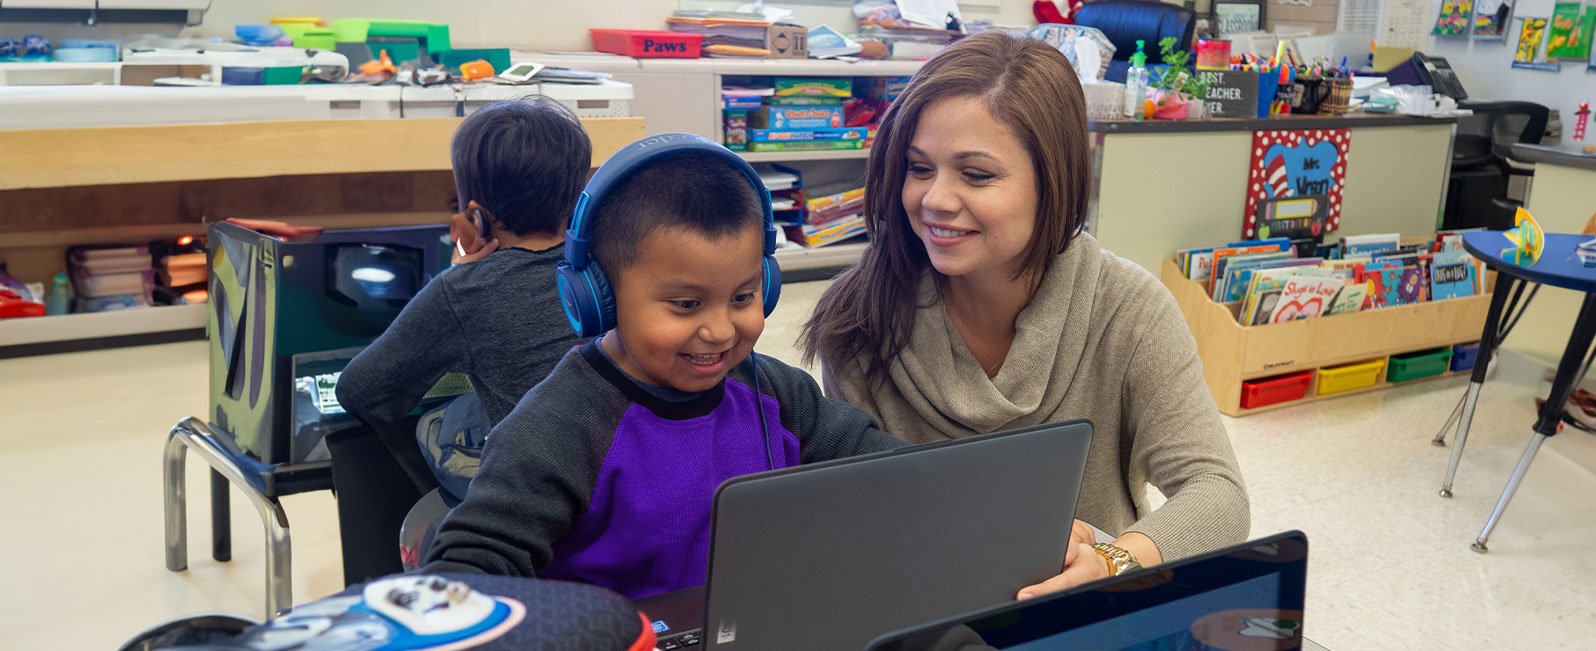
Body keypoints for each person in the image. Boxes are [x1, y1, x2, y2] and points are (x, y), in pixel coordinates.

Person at [801, 32, 1249, 598]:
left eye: (977, 174)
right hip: (929, 612)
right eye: (919, 167)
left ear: (1053, 179)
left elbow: (1217, 493)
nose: (935, 199)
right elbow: (862, 519)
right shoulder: (859, 317)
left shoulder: (1128, 306)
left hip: (1091, 610)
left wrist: (1114, 560)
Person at [420, 138, 908, 600]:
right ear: (600, 297)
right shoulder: (558, 427)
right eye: (687, 304)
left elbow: (892, 471)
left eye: (742, 296)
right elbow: (468, 568)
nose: (719, 330)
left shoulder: (775, 393)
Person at [336, 96, 592, 498]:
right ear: (579, 198)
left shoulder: (463, 291)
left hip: (547, 497)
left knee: (435, 426)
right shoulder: (618, 260)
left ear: (475, 214)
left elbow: (360, 392)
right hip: (631, 470)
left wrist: (459, 276)